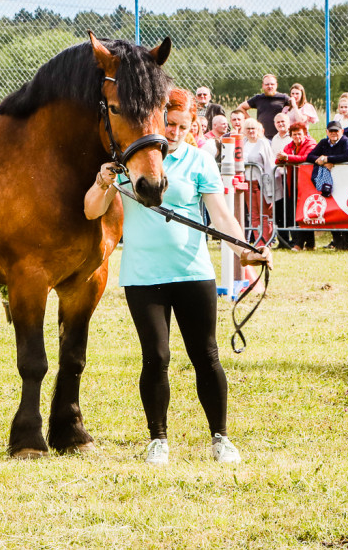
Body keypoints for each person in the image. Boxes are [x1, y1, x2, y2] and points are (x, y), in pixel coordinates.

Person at [84, 88, 272, 467]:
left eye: (181, 127)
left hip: (192, 273)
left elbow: (221, 217)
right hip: (141, 276)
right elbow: (91, 211)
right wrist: (103, 182)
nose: (173, 132)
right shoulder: (130, 160)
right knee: (155, 357)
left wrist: (244, 250)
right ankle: (158, 440)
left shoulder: (199, 160)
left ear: (193, 127)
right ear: (156, 120)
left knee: (206, 355)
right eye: (168, 124)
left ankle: (221, 437)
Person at [306, 121, 348, 250]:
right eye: (331, 131)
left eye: (336, 131)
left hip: (344, 182)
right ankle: (338, 243)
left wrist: (328, 159)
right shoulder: (323, 142)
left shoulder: (346, 141)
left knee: (344, 212)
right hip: (329, 183)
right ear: (327, 132)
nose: (333, 133)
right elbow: (310, 156)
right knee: (332, 210)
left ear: (341, 131)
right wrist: (321, 161)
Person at [275, 122, 318, 251]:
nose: (297, 137)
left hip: (307, 183)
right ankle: (310, 244)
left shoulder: (311, 143)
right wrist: (283, 157)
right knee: (297, 212)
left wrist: (287, 157)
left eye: (299, 134)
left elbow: (307, 157)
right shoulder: (290, 145)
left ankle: (299, 244)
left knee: (304, 211)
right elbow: (278, 160)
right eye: (294, 134)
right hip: (293, 182)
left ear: (305, 134)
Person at [241, 118, 276, 244]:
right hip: (247, 182)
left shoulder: (263, 143)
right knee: (253, 214)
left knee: (265, 214)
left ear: (258, 130)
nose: (251, 131)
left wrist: (270, 186)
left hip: (261, 183)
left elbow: (269, 164)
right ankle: (259, 241)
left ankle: (267, 241)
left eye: (253, 128)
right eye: (248, 129)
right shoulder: (243, 143)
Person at [237, 74, 292, 139]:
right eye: (267, 84)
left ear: (276, 85)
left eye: (272, 84)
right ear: (263, 86)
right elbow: (240, 108)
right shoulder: (258, 98)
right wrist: (253, 121)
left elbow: (297, 106)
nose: (270, 86)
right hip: (261, 136)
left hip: (280, 137)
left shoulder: (283, 98)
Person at [269, 113, 293, 247]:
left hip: (290, 176)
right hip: (277, 177)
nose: (281, 124)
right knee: (279, 209)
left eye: (283, 121)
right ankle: (282, 241)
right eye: (278, 122)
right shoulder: (275, 138)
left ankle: (294, 240)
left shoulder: (292, 137)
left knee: (290, 208)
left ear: (288, 122)